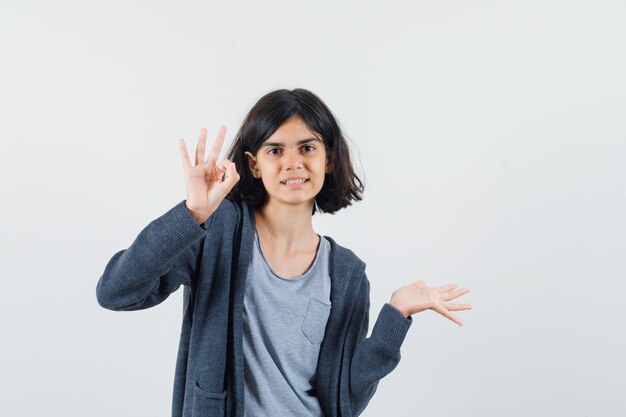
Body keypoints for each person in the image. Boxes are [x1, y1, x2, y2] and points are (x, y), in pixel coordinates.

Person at [96, 88, 472, 417]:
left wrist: (397, 313)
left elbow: (344, 401)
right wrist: (192, 214)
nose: (293, 163)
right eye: (275, 150)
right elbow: (116, 292)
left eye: (307, 148)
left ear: (328, 159)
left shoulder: (346, 273)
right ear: (255, 164)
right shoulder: (218, 228)